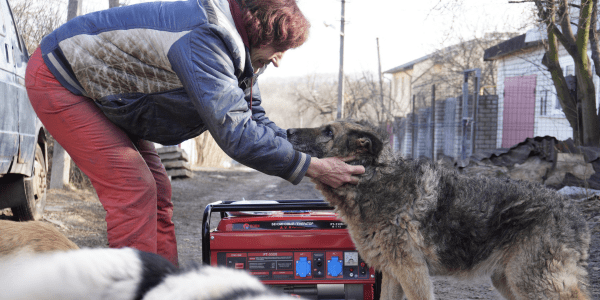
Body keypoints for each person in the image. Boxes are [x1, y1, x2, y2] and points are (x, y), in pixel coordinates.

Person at [25, 0, 364, 267]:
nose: (279, 61)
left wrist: (315, 156)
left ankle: (166, 287)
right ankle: (135, 288)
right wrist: (314, 169)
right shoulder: (206, 39)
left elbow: (255, 118)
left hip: (110, 92)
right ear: (260, 31)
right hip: (61, 78)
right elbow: (239, 135)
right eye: (280, 48)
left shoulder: (239, 52)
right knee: (134, 189)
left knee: (158, 190)